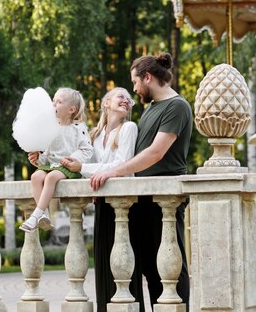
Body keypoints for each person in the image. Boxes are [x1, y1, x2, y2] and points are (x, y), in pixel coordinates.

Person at [89, 53, 192, 312]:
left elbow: (156, 153)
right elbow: (125, 154)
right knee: (146, 268)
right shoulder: (150, 109)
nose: (134, 89)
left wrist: (113, 173)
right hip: (141, 198)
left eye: (135, 82)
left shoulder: (177, 106)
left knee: (169, 269)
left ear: (148, 78)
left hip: (162, 197)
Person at [61, 87, 138, 312]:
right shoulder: (94, 134)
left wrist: (84, 168)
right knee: (104, 263)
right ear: (106, 102)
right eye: (121, 96)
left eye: (129, 98)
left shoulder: (129, 128)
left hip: (125, 204)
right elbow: (74, 158)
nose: (127, 100)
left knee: (125, 268)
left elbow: (122, 165)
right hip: (103, 203)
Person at [20, 87, 94, 232]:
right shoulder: (51, 128)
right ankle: (43, 214)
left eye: (59, 102)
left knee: (51, 177)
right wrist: (37, 159)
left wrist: (73, 158)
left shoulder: (79, 127)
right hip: (52, 165)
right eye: (53, 101)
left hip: (70, 167)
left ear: (71, 110)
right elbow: (47, 155)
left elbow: (87, 149)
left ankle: (36, 215)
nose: (53, 105)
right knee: (35, 176)